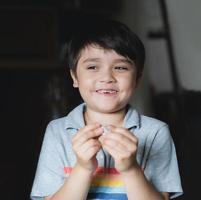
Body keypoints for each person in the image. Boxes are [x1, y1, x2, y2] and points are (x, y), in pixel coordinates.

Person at [30, 18, 183, 200]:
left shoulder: (156, 133)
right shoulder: (57, 132)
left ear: (137, 79)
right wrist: (83, 168)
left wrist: (131, 169)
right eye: (93, 67)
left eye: (120, 67)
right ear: (75, 77)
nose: (107, 77)